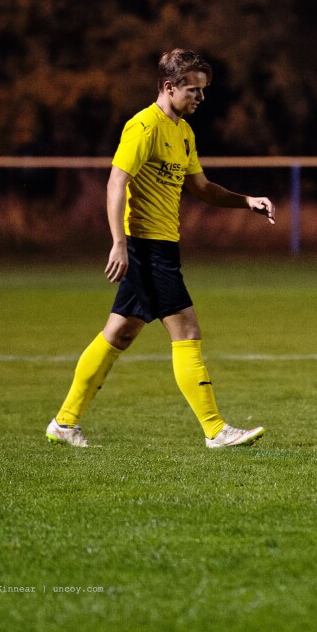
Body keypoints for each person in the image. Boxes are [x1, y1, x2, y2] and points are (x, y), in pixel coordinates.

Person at [46, 48, 276, 449]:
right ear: (169, 87)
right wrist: (119, 243)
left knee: (118, 334)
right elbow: (116, 182)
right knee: (186, 329)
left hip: (163, 248)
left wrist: (246, 201)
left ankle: (64, 422)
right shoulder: (144, 127)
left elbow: (201, 188)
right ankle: (215, 429)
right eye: (193, 90)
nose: (200, 99)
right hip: (144, 248)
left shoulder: (183, 132)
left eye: (203, 91)